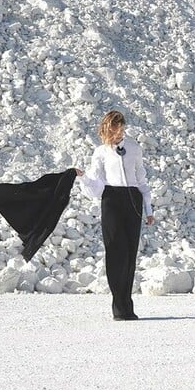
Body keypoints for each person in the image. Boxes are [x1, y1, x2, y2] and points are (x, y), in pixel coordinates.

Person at [76, 110, 155, 320]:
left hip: (133, 199)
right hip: (111, 199)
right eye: (114, 128)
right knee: (115, 251)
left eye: (121, 128)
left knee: (130, 253)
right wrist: (83, 177)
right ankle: (118, 305)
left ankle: (127, 306)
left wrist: (149, 209)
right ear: (106, 128)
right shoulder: (101, 152)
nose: (118, 132)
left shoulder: (134, 148)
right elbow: (95, 182)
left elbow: (141, 179)